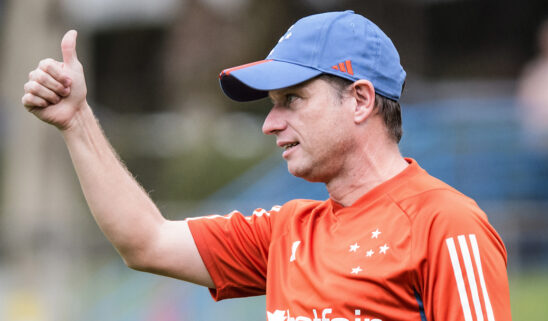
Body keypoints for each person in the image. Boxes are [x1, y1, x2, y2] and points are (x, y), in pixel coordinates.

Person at [22, 10, 511, 321]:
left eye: (293, 100)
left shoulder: (447, 224)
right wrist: (77, 121)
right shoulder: (288, 232)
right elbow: (145, 241)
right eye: (271, 104)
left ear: (360, 99)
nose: (270, 123)